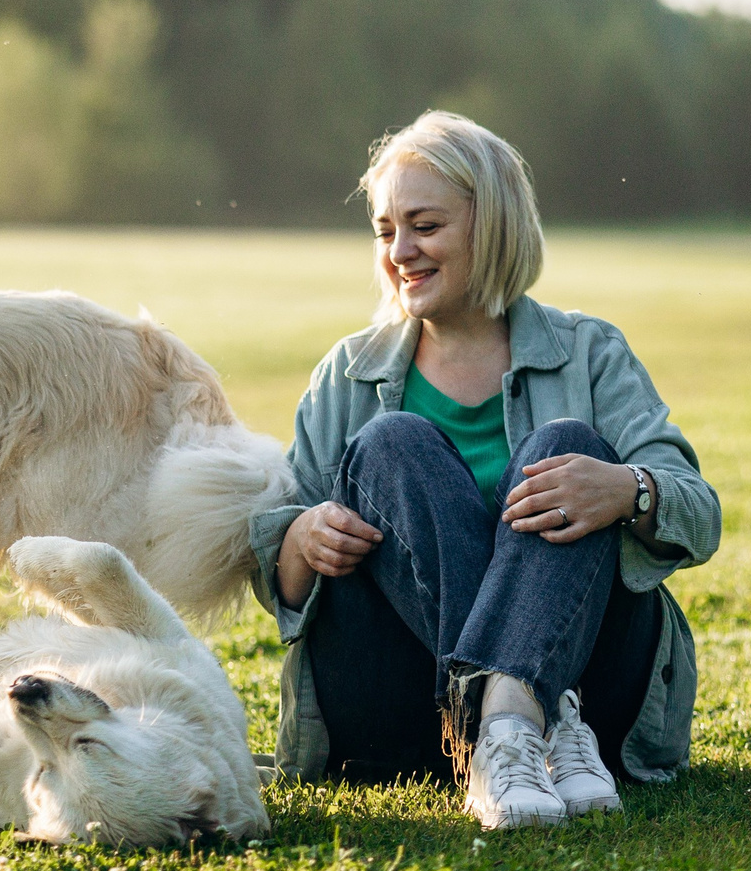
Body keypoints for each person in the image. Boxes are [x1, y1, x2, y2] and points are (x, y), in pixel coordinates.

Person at [249, 111, 720, 828]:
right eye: (385, 231)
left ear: (492, 224)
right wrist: (301, 540)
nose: (400, 251)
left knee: (566, 441)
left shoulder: (590, 352)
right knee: (391, 445)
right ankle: (525, 711)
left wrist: (626, 490)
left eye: (425, 226)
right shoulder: (346, 372)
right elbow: (274, 572)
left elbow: (699, 512)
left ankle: (515, 722)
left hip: (595, 712)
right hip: (395, 717)